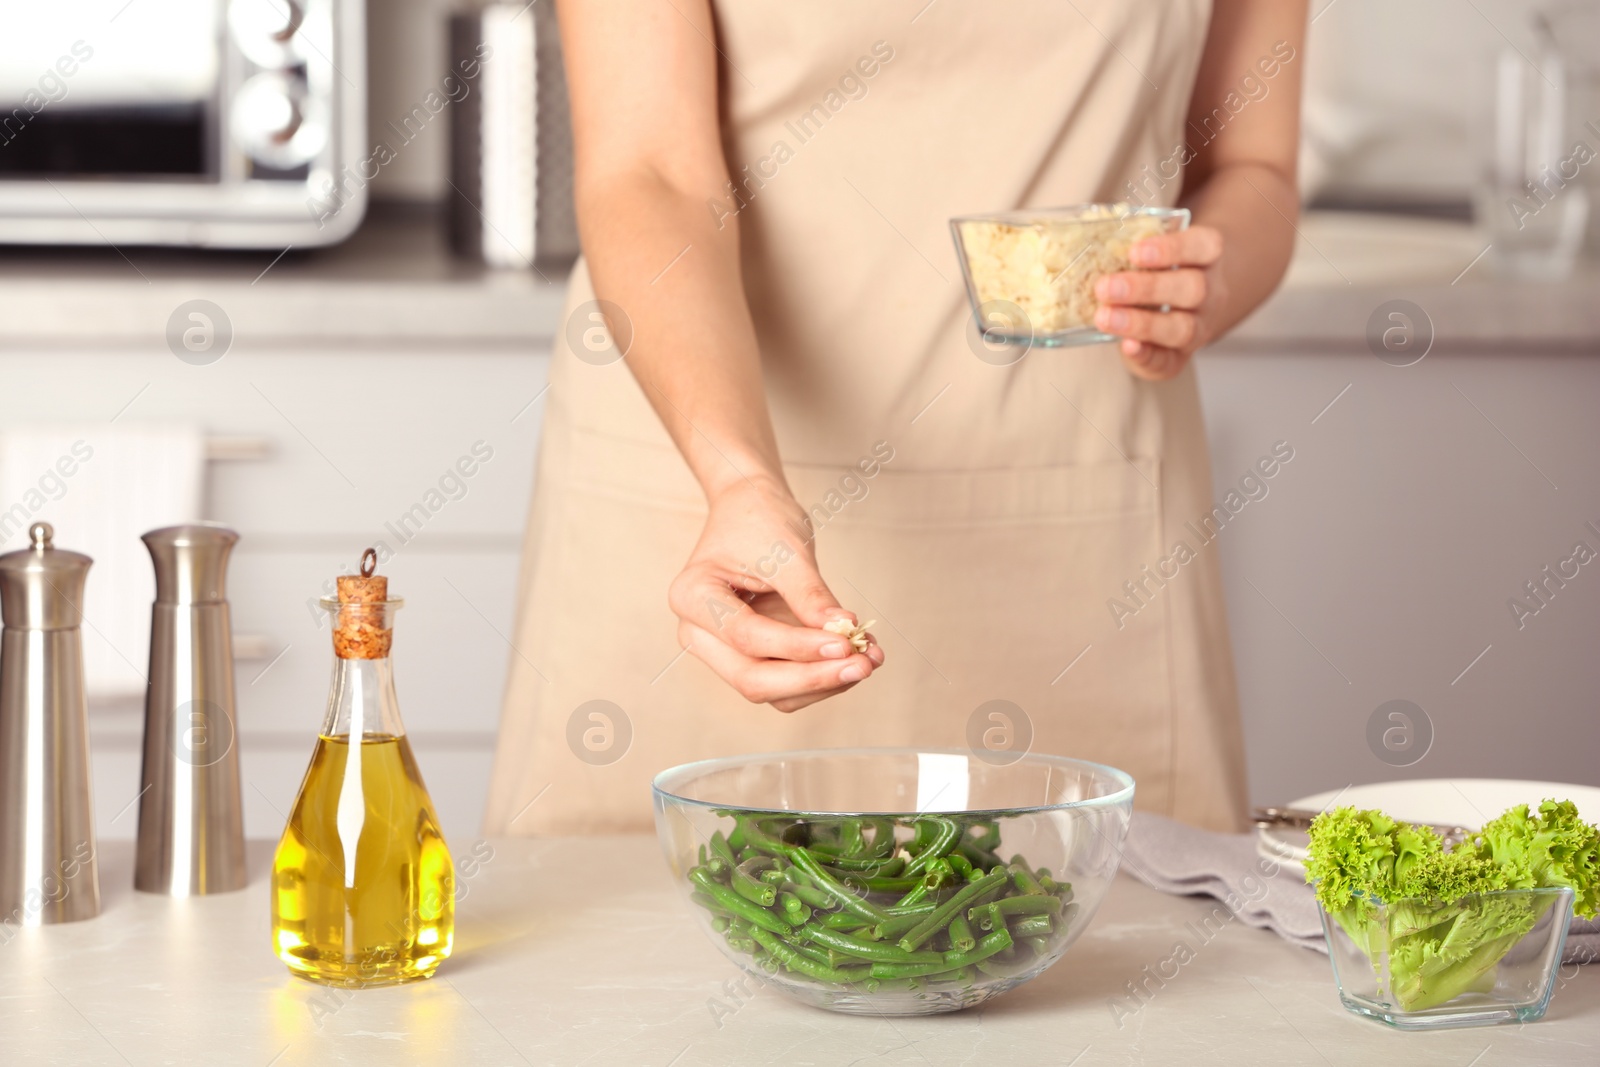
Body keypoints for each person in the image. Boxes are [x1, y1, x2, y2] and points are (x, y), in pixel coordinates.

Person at [484, 0, 1307, 836]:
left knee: (1107, 934)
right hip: (708, 490)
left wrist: (1205, 278)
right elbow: (650, 168)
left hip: (1086, 536)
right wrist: (738, 476)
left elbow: (1255, 166)